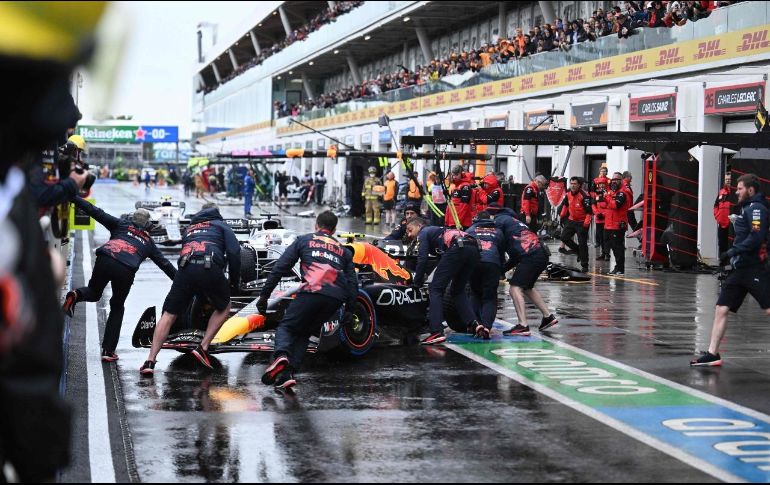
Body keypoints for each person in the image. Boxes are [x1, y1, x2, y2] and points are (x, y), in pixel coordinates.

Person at [62, 200, 176, 360]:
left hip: (106, 258)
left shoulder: (120, 224)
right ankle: (108, 351)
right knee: (117, 306)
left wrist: (73, 196)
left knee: (94, 293)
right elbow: (166, 265)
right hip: (126, 269)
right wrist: (183, 284)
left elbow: (95, 211)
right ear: (147, 225)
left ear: (131, 219)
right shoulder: (149, 243)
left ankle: (75, 294)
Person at [257, 211, 358, 390]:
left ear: (316, 225)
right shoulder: (343, 250)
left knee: (287, 327)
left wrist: (264, 296)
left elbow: (280, 268)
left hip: (312, 290)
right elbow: (352, 281)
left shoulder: (303, 240)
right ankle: (287, 375)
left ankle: (281, 356)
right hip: (335, 298)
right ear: (334, 230)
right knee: (304, 333)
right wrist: (350, 309)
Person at [140, 202, 240, 375]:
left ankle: (150, 360)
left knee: (169, 314)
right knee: (224, 307)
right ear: (217, 214)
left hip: (185, 269)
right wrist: (234, 282)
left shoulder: (189, 229)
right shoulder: (221, 226)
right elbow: (234, 252)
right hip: (210, 268)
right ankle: (203, 347)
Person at [691, 173, 770, 367]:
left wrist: (735, 249)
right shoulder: (746, 208)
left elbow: (757, 236)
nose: (737, 191)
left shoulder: (757, 208)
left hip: (755, 269)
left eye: (740, 188)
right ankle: (712, 353)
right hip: (739, 269)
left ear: (750, 190)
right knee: (721, 308)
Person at [406, 218, 480, 345]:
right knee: (457, 290)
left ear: (419, 226)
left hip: (458, 246)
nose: (409, 234)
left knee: (435, 289)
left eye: (410, 230)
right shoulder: (438, 231)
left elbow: (422, 259)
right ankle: (474, 324)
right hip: (474, 247)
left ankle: (436, 331)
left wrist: (416, 283)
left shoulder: (423, 233)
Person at [488, 205, 558, 336]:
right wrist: (501, 269)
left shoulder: (499, 220)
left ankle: (523, 325)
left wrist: (494, 267)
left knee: (515, 288)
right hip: (541, 253)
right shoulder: (514, 222)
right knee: (526, 287)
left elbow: (495, 242)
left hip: (531, 255)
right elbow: (514, 257)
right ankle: (548, 316)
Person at [466, 211, 506, 338]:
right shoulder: (498, 232)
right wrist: (502, 271)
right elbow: (501, 254)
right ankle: (487, 327)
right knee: (489, 297)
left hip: (474, 262)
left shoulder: (470, 230)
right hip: (492, 263)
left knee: (475, 293)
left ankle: (477, 325)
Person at [597, 172, 632, 275]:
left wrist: (606, 198)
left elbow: (616, 205)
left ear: (621, 181)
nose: (614, 181)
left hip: (617, 224)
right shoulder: (611, 192)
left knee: (618, 247)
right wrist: (602, 198)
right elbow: (603, 205)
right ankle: (617, 267)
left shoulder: (623, 193)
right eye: (613, 179)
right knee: (612, 246)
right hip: (609, 223)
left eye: (616, 179)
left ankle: (620, 269)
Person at [559, 177, 593, 273]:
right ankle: (577, 251)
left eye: (575, 184)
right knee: (563, 237)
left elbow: (589, 212)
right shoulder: (568, 194)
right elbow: (565, 206)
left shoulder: (584, 196)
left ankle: (584, 264)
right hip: (571, 220)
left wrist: (586, 223)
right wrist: (562, 216)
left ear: (579, 185)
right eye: (571, 183)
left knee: (583, 244)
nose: (573, 185)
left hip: (582, 222)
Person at [591, 166, 611, 260]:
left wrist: (604, 214)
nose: (601, 186)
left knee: (606, 237)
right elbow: (593, 204)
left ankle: (607, 254)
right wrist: (596, 213)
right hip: (598, 217)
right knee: (600, 236)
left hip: (606, 217)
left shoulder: (609, 192)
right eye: (600, 185)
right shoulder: (595, 193)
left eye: (605, 171)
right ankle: (603, 253)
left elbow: (610, 205)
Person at [714, 172, 732, 255]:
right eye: (726, 179)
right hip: (721, 222)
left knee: (731, 243)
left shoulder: (734, 192)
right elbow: (715, 205)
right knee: (721, 243)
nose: (728, 180)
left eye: (729, 179)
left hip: (731, 223)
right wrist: (717, 216)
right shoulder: (721, 192)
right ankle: (722, 261)